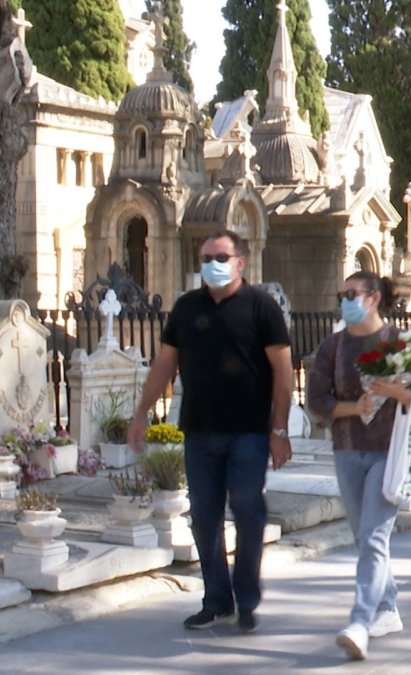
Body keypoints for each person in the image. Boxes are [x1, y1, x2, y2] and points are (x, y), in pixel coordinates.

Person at [127, 230, 294, 633]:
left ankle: (247, 597)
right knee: (204, 518)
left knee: (249, 513)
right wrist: (140, 415)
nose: (212, 265)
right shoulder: (186, 308)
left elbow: (283, 371)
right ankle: (216, 599)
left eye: (220, 256)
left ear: (240, 262)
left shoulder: (261, 307)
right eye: (205, 258)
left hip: (249, 434)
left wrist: (279, 428)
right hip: (199, 432)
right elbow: (164, 366)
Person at [306, 271, 411, 661]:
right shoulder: (333, 346)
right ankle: (388, 607)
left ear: (373, 298)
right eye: (342, 293)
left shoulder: (401, 343)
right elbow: (315, 399)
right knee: (363, 536)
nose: (345, 299)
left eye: (352, 293)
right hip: (346, 450)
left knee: (375, 537)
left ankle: (360, 621)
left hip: (389, 453)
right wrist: (351, 407)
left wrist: (395, 391)